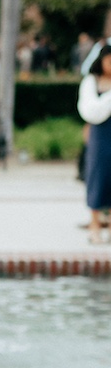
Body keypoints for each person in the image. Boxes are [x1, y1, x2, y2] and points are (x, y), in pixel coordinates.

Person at [78, 43, 111, 242]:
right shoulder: (91, 82)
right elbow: (91, 110)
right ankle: (95, 225)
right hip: (99, 136)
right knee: (97, 177)